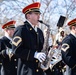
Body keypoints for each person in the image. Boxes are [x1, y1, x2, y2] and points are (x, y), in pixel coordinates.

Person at [12, 2, 46, 75]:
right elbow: (16, 50)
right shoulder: (21, 30)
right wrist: (34, 54)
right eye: (36, 14)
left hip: (38, 71)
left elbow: (40, 49)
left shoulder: (39, 31)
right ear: (28, 16)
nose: (39, 16)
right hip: (26, 71)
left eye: (39, 14)